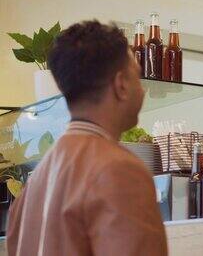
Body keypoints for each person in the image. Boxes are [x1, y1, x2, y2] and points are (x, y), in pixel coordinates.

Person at [7, 21, 168, 256]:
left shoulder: (32, 185)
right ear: (121, 84)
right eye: (138, 76)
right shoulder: (120, 169)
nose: (142, 90)